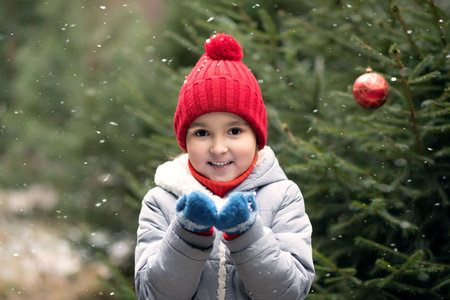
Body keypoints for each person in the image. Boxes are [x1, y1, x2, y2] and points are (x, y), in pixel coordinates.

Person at [135, 33, 314, 300]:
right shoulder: (160, 201)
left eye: (234, 131)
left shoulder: (284, 197)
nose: (219, 148)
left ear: (257, 138)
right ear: (185, 140)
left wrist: (247, 233)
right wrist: (188, 233)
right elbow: (155, 294)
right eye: (202, 133)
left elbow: (287, 293)